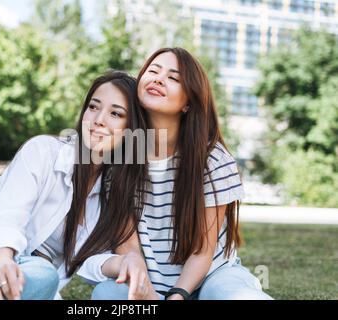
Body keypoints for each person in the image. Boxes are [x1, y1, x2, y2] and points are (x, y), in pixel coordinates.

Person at [0, 71, 146, 300]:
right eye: (94, 107)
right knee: (42, 275)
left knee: (41, 279)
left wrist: (125, 260)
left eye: (115, 113)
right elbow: (9, 216)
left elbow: (89, 260)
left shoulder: (108, 194)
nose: (98, 120)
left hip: (25, 282)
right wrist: (1, 258)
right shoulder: (44, 151)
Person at [78, 48, 273, 300]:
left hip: (211, 276)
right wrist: (145, 291)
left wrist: (178, 295)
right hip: (149, 282)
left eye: (173, 77)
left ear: (188, 102)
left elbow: (203, 251)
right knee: (107, 294)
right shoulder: (120, 160)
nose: (159, 79)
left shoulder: (212, 158)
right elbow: (128, 245)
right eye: (153, 71)